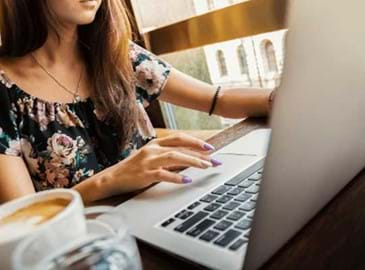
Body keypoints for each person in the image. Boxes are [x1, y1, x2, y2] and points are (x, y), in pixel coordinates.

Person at [0, 0, 274, 204]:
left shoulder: (117, 55)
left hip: (163, 210)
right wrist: (109, 180)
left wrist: (285, 98)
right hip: (83, 251)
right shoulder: (4, 88)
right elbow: (23, 217)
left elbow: (218, 99)